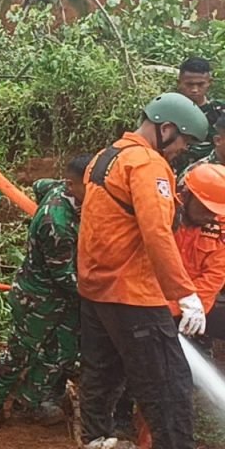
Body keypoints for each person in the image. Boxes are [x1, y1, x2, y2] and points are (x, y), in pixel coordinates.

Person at [77, 92, 209, 449]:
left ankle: (96, 441)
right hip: (133, 295)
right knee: (169, 387)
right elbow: (157, 233)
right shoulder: (147, 165)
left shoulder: (106, 157)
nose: (182, 149)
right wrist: (184, 293)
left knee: (101, 378)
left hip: (96, 292)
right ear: (166, 129)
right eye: (184, 140)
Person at [0, 154, 93, 430]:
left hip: (64, 298)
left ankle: (30, 401)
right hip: (38, 297)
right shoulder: (58, 225)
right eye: (90, 187)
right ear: (71, 185)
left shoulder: (56, 189)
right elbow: (65, 276)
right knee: (20, 351)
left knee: (62, 352)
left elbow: (40, 185)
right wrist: (101, 295)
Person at [117, 162, 225, 449]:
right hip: (148, 301)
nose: (210, 215)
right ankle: (124, 419)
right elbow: (146, 264)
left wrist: (192, 308)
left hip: (190, 309)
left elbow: (213, 274)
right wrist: (161, 309)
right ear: (186, 195)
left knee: (177, 378)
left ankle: (166, 432)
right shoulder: (161, 216)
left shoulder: (220, 226)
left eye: (215, 210)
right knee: (139, 368)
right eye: (204, 208)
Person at [172, 56, 225, 175]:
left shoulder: (221, 111)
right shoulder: (168, 111)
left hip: (216, 178)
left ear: (209, 83)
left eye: (200, 84)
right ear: (179, 83)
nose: (195, 90)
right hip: (175, 177)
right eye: (189, 84)